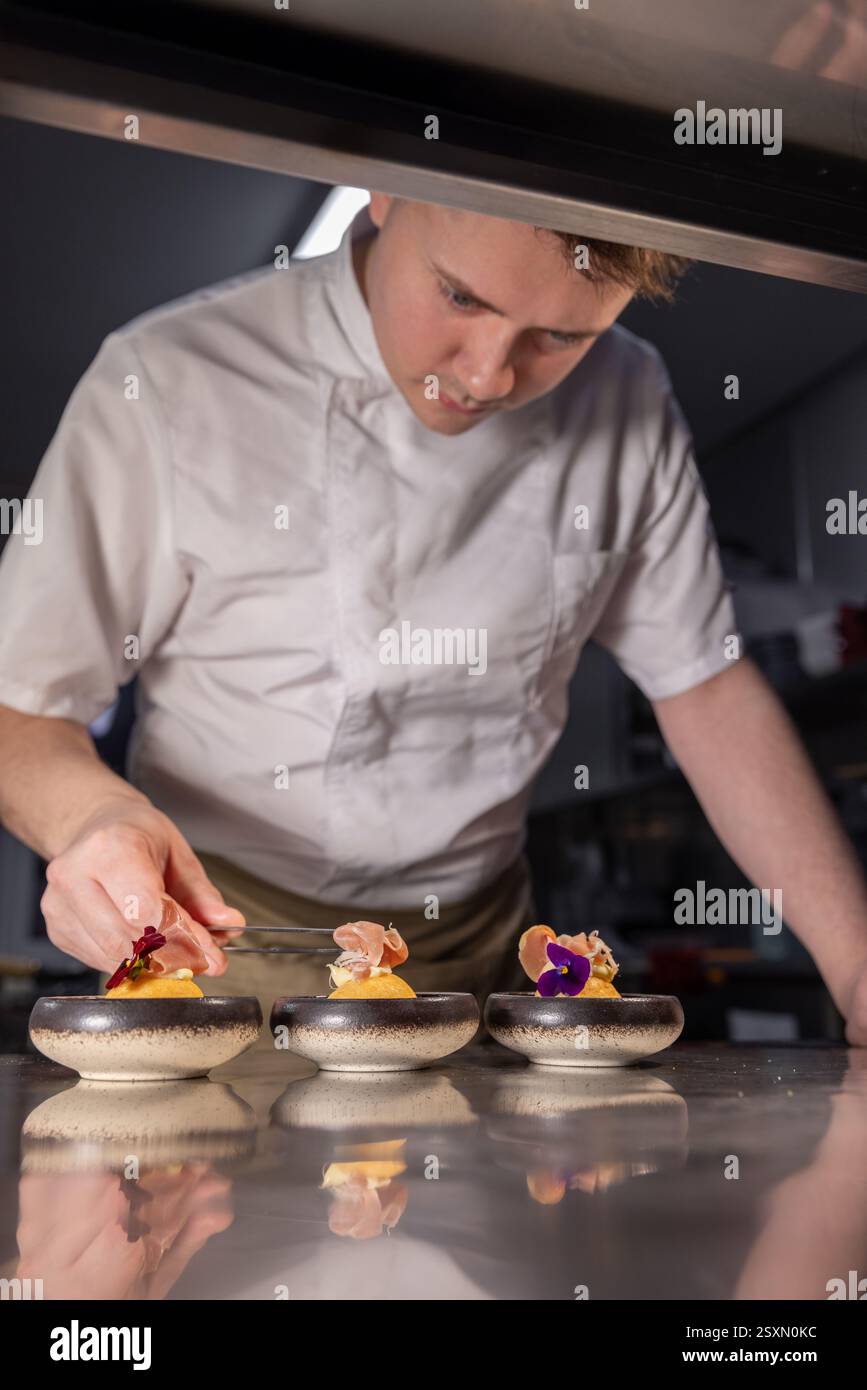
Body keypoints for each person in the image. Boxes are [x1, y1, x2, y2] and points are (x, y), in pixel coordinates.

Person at [1, 193, 866, 1040]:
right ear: (382, 191)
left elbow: (703, 688)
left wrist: (858, 969)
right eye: (459, 296)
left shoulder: (627, 396)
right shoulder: (168, 376)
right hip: (222, 949)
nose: (485, 375)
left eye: (559, 336)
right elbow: (21, 704)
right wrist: (90, 821)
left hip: (482, 960)